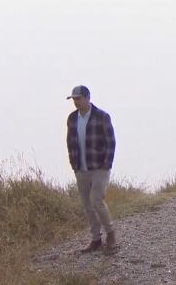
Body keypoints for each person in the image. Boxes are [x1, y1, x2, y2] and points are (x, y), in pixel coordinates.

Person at [65, 85, 117, 254]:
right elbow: (70, 142)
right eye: (73, 99)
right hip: (81, 168)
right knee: (87, 204)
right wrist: (74, 164)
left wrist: (107, 163)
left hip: (99, 167)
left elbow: (111, 142)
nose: (76, 102)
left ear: (87, 98)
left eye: (78, 98)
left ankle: (111, 234)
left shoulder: (102, 116)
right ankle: (96, 239)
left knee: (96, 200)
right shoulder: (72, 118)